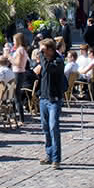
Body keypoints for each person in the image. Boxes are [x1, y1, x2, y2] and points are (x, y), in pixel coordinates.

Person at [32, 38, 67, 169]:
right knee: (45, 128)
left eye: (43, 50)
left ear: (50, 50)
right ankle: (49, 154)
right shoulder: (44, 61)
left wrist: (40, 56)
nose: (41, 53)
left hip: (54, 100)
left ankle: (56, 159)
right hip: (44, 99)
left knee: (54, 128)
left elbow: (48, 68)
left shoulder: (58, 61)